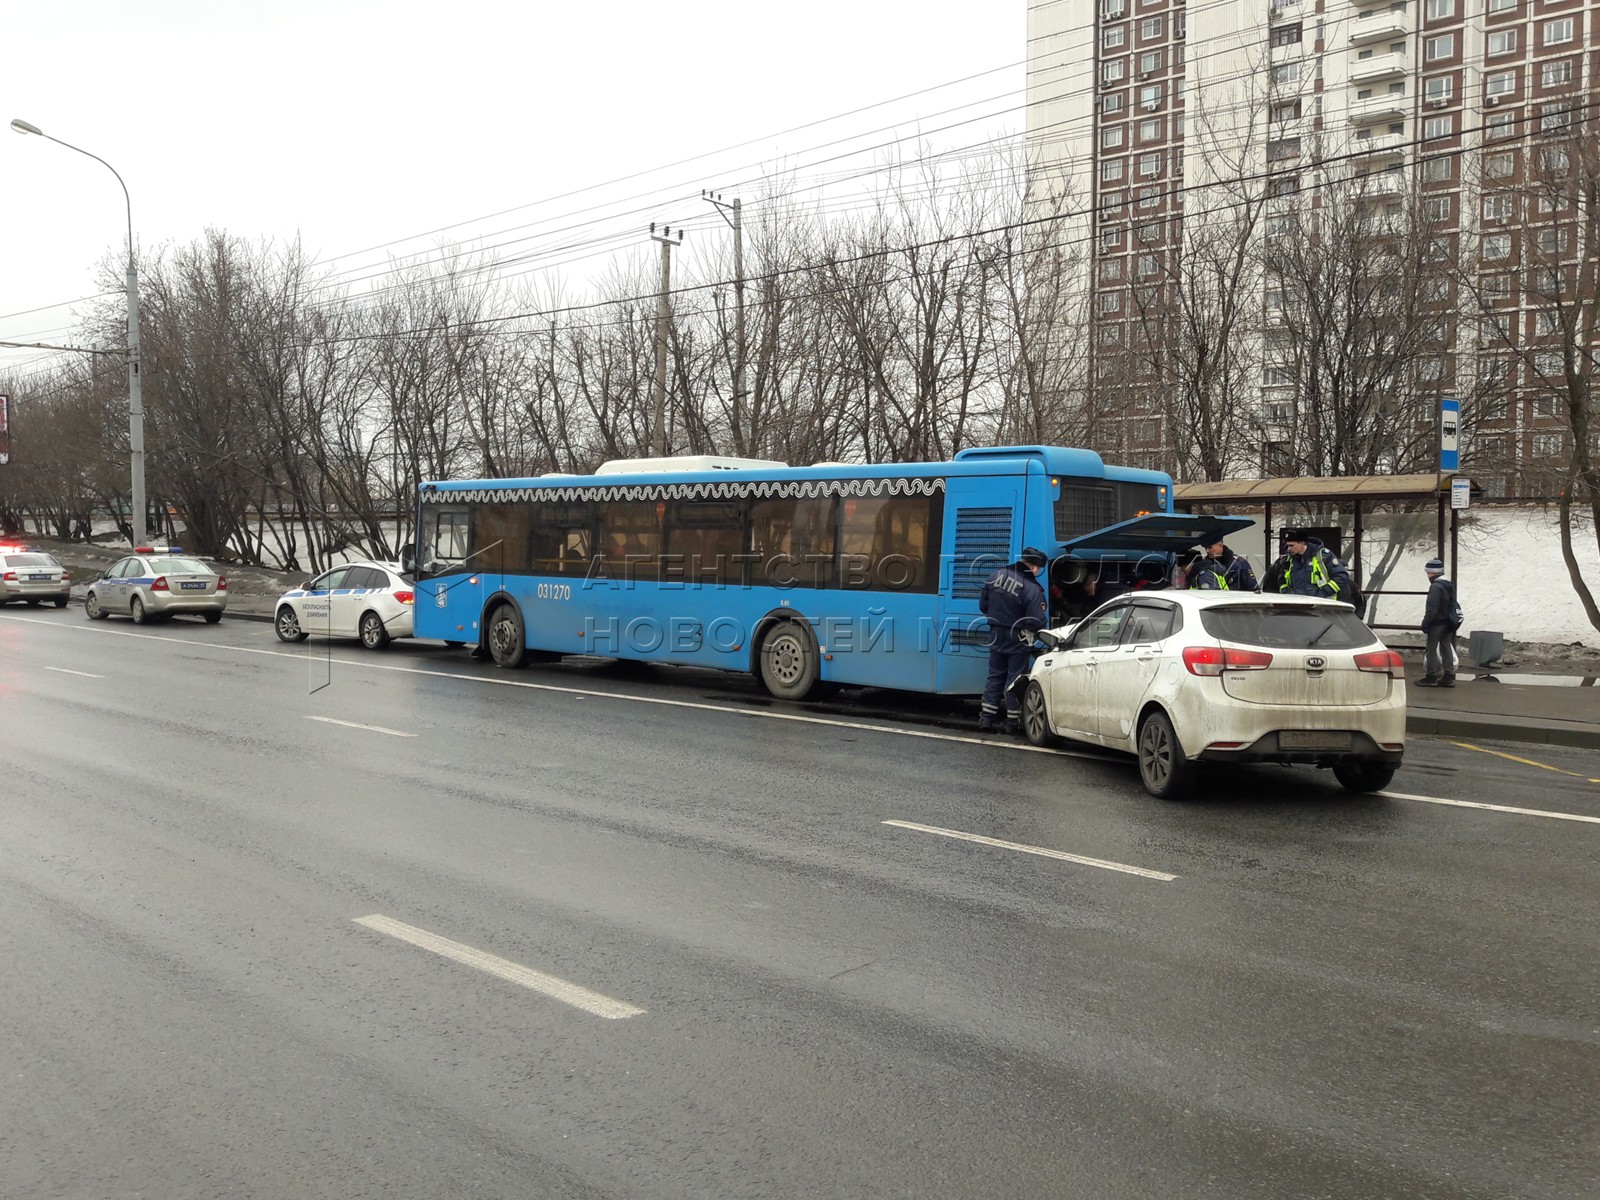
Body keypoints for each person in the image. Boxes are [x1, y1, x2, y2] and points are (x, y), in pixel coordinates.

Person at [978, 546, 1049, 734]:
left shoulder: (995, 575)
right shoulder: (1032, 588)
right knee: (1015, 679)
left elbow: (983, 605)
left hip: (995, 633)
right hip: (1018, 637)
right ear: (1034, 567)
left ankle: (986, 719)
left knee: (995, 675)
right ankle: (1011, 723)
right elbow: (1037, 620)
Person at [1264, 528, 1355, 603]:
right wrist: (1285, 593)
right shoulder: (1288, 560)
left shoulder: (1323, 556)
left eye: (1292, 545)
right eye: (1288, 546)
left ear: (1303, 543)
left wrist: (1323, 593)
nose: (1288, 549)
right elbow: (1282, 579)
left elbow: (1341, 576)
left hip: (1322, 606)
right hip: (1295, 606)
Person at [1417, 558, 1461, 688]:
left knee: (1431, 648)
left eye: (1428, 572)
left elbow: (1432, 608)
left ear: (1433, 572)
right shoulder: (1448, 584)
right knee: (1445, 647)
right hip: (1448, 622)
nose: (1427, 575)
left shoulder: (1436, 586)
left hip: (1437, 623)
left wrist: (1426, 623)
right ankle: (1448, 676)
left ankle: (1431, 676)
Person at [1194, 536, 1258, 591]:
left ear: (1220, 546)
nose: (1207, 551)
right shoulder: (1205, 564)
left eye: (1210, 547)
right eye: (1205, 548)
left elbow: (1253, 588)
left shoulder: (1238, 563)